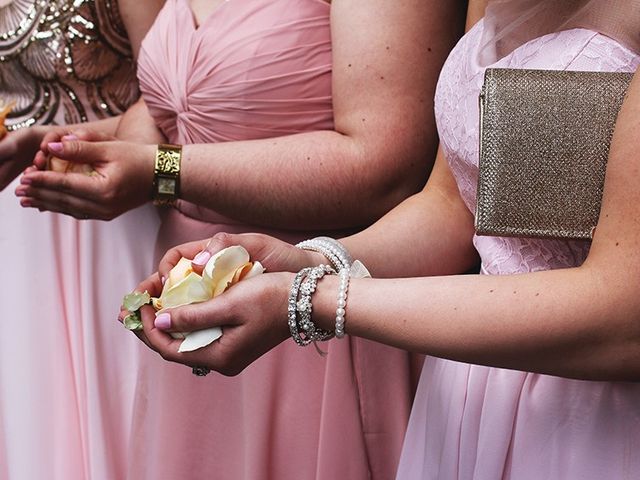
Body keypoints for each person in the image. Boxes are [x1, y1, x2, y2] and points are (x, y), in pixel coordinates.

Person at [130, 0, 640, 478]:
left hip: (598, 412)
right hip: (469, 388)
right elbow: (453, 210)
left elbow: (623, 316)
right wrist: (311, 259)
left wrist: (312, 300)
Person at [18, 0, 468, 478]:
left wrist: (161, 173)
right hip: (187, 296)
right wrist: (78, 146)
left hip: (309, 308)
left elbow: (385, 169)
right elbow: (164, 116)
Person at [0, 1, 163, 478]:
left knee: (114, 396)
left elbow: (168, 90)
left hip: (104, 207)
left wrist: (71, 142)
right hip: (16, 220)